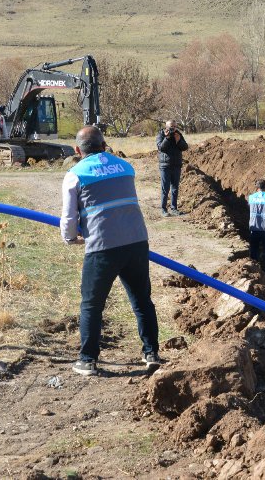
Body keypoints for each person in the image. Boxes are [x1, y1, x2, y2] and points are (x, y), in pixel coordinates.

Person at [61, 126, 161, 376]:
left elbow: (68, 217)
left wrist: (71, 238)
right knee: (141, 301)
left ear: (77, 150)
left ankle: (87, 360)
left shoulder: (75, 175)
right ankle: (151, 353)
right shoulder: (126, 167)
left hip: (102, 246)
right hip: (137, 242)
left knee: (91, 305)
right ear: (104, 145)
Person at [156, 120, 188, 217]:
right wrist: (167, 138)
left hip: (176, 165)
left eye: (174, 127)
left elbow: (185, 147)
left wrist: (178, 141)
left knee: (175, 188)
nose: (172, 129)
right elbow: (161, 148)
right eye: (170, 127)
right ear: (166, 127)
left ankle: (174, 208)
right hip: (165, 166)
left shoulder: (178, 134)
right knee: (165, 188)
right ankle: (163, 209)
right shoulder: (161, 134)